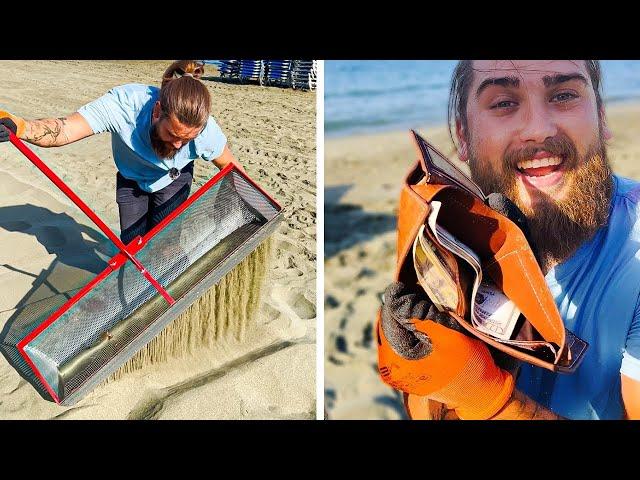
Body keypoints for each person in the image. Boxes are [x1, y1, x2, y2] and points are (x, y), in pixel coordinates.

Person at [378, 60, 640, 420]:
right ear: (463, 136)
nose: (537, 129)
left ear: (602, 117)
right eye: (503, 102)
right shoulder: (444, 240)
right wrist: (436, 384)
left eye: (564, 95)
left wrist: (489, 400)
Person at [0, 60, 239, 245]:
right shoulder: (123, 105)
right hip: (131, 179)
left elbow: (232, 171)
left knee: (166, 244)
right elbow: (65, 129)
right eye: (172, 134)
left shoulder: (207, 131)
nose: (178, 145)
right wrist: (21, 127)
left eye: (187, 139)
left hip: (173, 181)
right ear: (157, 112)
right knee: (133, 243)